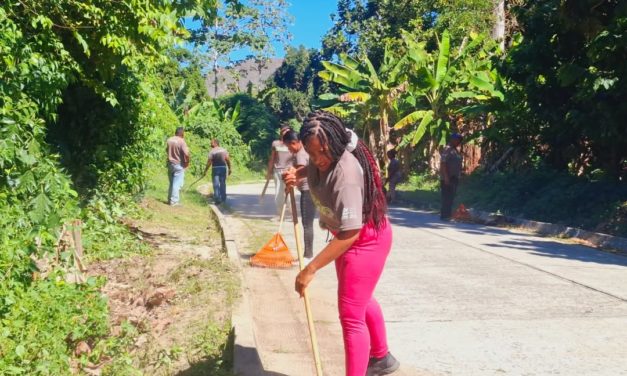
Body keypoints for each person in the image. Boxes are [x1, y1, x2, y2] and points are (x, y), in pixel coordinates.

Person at [283, 111, 400, 376]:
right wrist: (298, 174)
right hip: (349, 237)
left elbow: (350, 233)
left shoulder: (345, 175)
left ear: (335, 145)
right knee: (360, 300)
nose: (318, 160)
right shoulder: (320, 157)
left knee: (350, 316)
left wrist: (310, 269)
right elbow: (313, 168)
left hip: (364, 241)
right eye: (311, 155)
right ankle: (382, 358)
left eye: (322, 153)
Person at [282, 130, 317, 261]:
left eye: (288, 147)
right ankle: (308, 253)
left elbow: (300, 175)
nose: (289, 150)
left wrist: (290, 184)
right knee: (308, 223)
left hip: (308, 190)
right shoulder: (306, 150)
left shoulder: (300, 155)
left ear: (294, 143)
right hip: (311, 189)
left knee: (307, 224)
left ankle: (308, 255)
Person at [266, 125, 294, 217]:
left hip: (290, 171)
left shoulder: (293, 143)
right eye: (283, 131)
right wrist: (269, 172)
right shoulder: (276, 143)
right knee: (279, 193)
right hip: (278, 171)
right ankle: (280, 213)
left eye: (287, 131)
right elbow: (272, 158)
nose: (285, 133)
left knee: (290, 193)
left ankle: (292, 213)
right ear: (281, 133)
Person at [439, 133, 463, 220]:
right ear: (452, 139)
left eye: (460, 140)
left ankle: (448, 214)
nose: (459, 142)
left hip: (454, 177)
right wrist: (446, 177)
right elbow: (443, 163)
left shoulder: (455, 150)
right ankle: (445, 215)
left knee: (451, 196)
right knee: (446, 197)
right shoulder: (447, 149)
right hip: (447, 177)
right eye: (457, 140)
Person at [166, 127, 190, 206]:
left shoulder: (169, 140)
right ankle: (174, 201)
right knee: (176, 183)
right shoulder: (181, 141)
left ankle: (170, 199)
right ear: (182, 133)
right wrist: (187, 162)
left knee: (172, 183)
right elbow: (186, 154)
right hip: (178, 165)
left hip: (170, 163)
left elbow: (167, 150)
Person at [203, 139, 231, 205]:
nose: (210, 144)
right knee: (222, 183)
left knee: (216, 184)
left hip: (215, 169)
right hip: (223, 168)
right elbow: (227, 159)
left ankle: (217, 199)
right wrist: (230, 168)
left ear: (216, 143)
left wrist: (205, 170)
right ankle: (223, 199)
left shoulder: (212, 151)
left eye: (211, 143)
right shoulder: (224, 150)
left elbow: (209, 162)